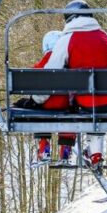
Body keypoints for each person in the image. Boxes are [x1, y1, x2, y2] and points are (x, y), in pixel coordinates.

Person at [39, 0, 107, 192]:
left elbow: (51, 75)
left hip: (88, 104)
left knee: (92, 111)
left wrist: (38, 99)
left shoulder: (67, 40)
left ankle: (95, 153)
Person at [32, 30, 75, 163]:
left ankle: (44, 146)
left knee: (37, 109)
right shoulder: (69, 64)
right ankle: (66, 149)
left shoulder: (39, 66)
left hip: (44, 106)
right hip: (65, 106)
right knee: (71, 113)